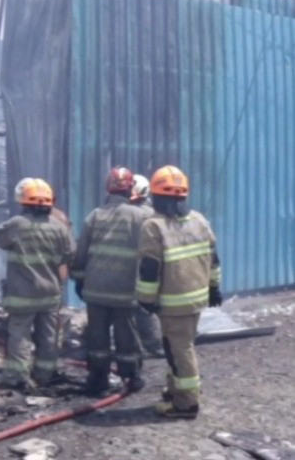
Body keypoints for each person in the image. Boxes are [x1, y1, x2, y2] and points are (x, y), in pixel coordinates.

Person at [136, 165, 222, 419]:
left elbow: (149, 269)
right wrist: (215, 288)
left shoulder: (153, 226)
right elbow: (213, 259)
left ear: (156, 197)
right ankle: (176, 389)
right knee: (176, 346)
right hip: (196, 298)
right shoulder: (198, 219)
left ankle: (186, 404)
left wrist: (146, 299)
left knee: (180, 349)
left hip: (173, 303)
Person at [72, 167, 149, 395]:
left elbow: (81, 254)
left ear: (108, 188)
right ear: (130, 189)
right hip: (125, 290)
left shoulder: (95, 215)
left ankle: (98, 380)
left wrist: (79, 282)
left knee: (97, 336)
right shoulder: (142, 216)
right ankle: (131, 377)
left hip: (96, 289)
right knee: (127, 335)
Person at [0, 178, 74, 389]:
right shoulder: (59, 227)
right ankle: (45, 373)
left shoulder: (16, 224)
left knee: (20, 333)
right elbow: (69, 254)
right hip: (50, 292)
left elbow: (1, 240)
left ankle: (17, 376)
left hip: (22, 293)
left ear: (24, 202)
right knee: (47, 335)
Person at [130, 174, 163, 357]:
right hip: (148, 265)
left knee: (143, 306)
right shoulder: (153, 213)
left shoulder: (132, 213)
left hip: (141, 266)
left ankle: (154, 345)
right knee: (147, 305)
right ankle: (154, 344)